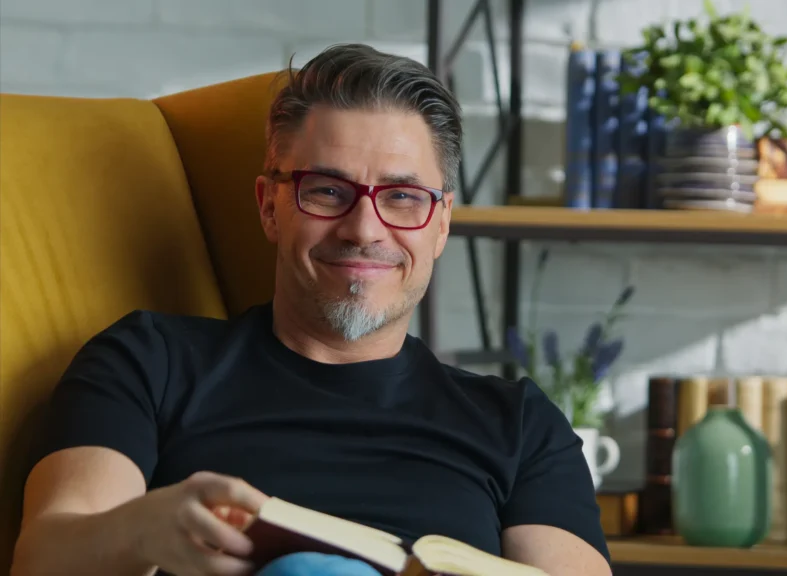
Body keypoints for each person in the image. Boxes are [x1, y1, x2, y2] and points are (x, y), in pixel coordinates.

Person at [10, 43, 612, 576]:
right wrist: (142, 530)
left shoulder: (520, 425)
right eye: (327, 190)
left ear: (441, 224)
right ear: (270, 206)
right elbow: (44, 560)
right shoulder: (149, 362)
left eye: (402, 197)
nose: (363, 229)